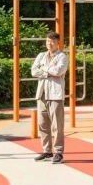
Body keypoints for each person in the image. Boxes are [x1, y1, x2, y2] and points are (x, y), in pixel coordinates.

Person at [31, 31, 69, 164]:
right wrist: (48, 72)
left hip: (55, 94)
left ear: (58, 42)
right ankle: (47, 151)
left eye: (52, 41)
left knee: (57, 125)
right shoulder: (41, 55)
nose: (49, 43)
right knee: (42, 124)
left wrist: (44, 69)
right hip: (42, 94)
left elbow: (59, 71)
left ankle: (58, 152)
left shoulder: (62, 57)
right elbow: (33, 71)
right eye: (48, 41)